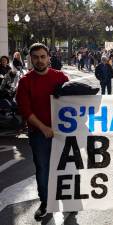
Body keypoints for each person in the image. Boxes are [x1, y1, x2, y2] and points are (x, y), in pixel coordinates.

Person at [16, 43, 69, 221]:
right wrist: (43, 128)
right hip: (39, 135)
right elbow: (26, 111)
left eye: (42, 56)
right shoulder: (24, 82)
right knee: (43, 169)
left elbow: (74, 102)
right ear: (31, 59)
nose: (40, 60)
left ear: (48, 58)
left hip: (63, 134)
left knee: (67, 168)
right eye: (36, 57)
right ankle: (46, 203)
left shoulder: (61, 77)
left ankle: (70, 201)